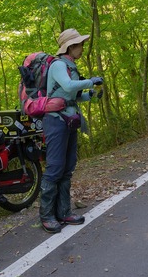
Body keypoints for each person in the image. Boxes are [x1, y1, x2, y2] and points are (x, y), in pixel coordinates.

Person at [40, 28, 104, 233]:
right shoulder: (59, 65)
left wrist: (89, 95)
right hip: (55, 121)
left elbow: (72, 96)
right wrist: (90, 81)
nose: (82, 48)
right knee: (55, 167)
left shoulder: (71, 66)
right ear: (70, 46)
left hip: (68, 120)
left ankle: (64, 212)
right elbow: (68, 86)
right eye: (79, 44)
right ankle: (47, 215)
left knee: (68, 167)